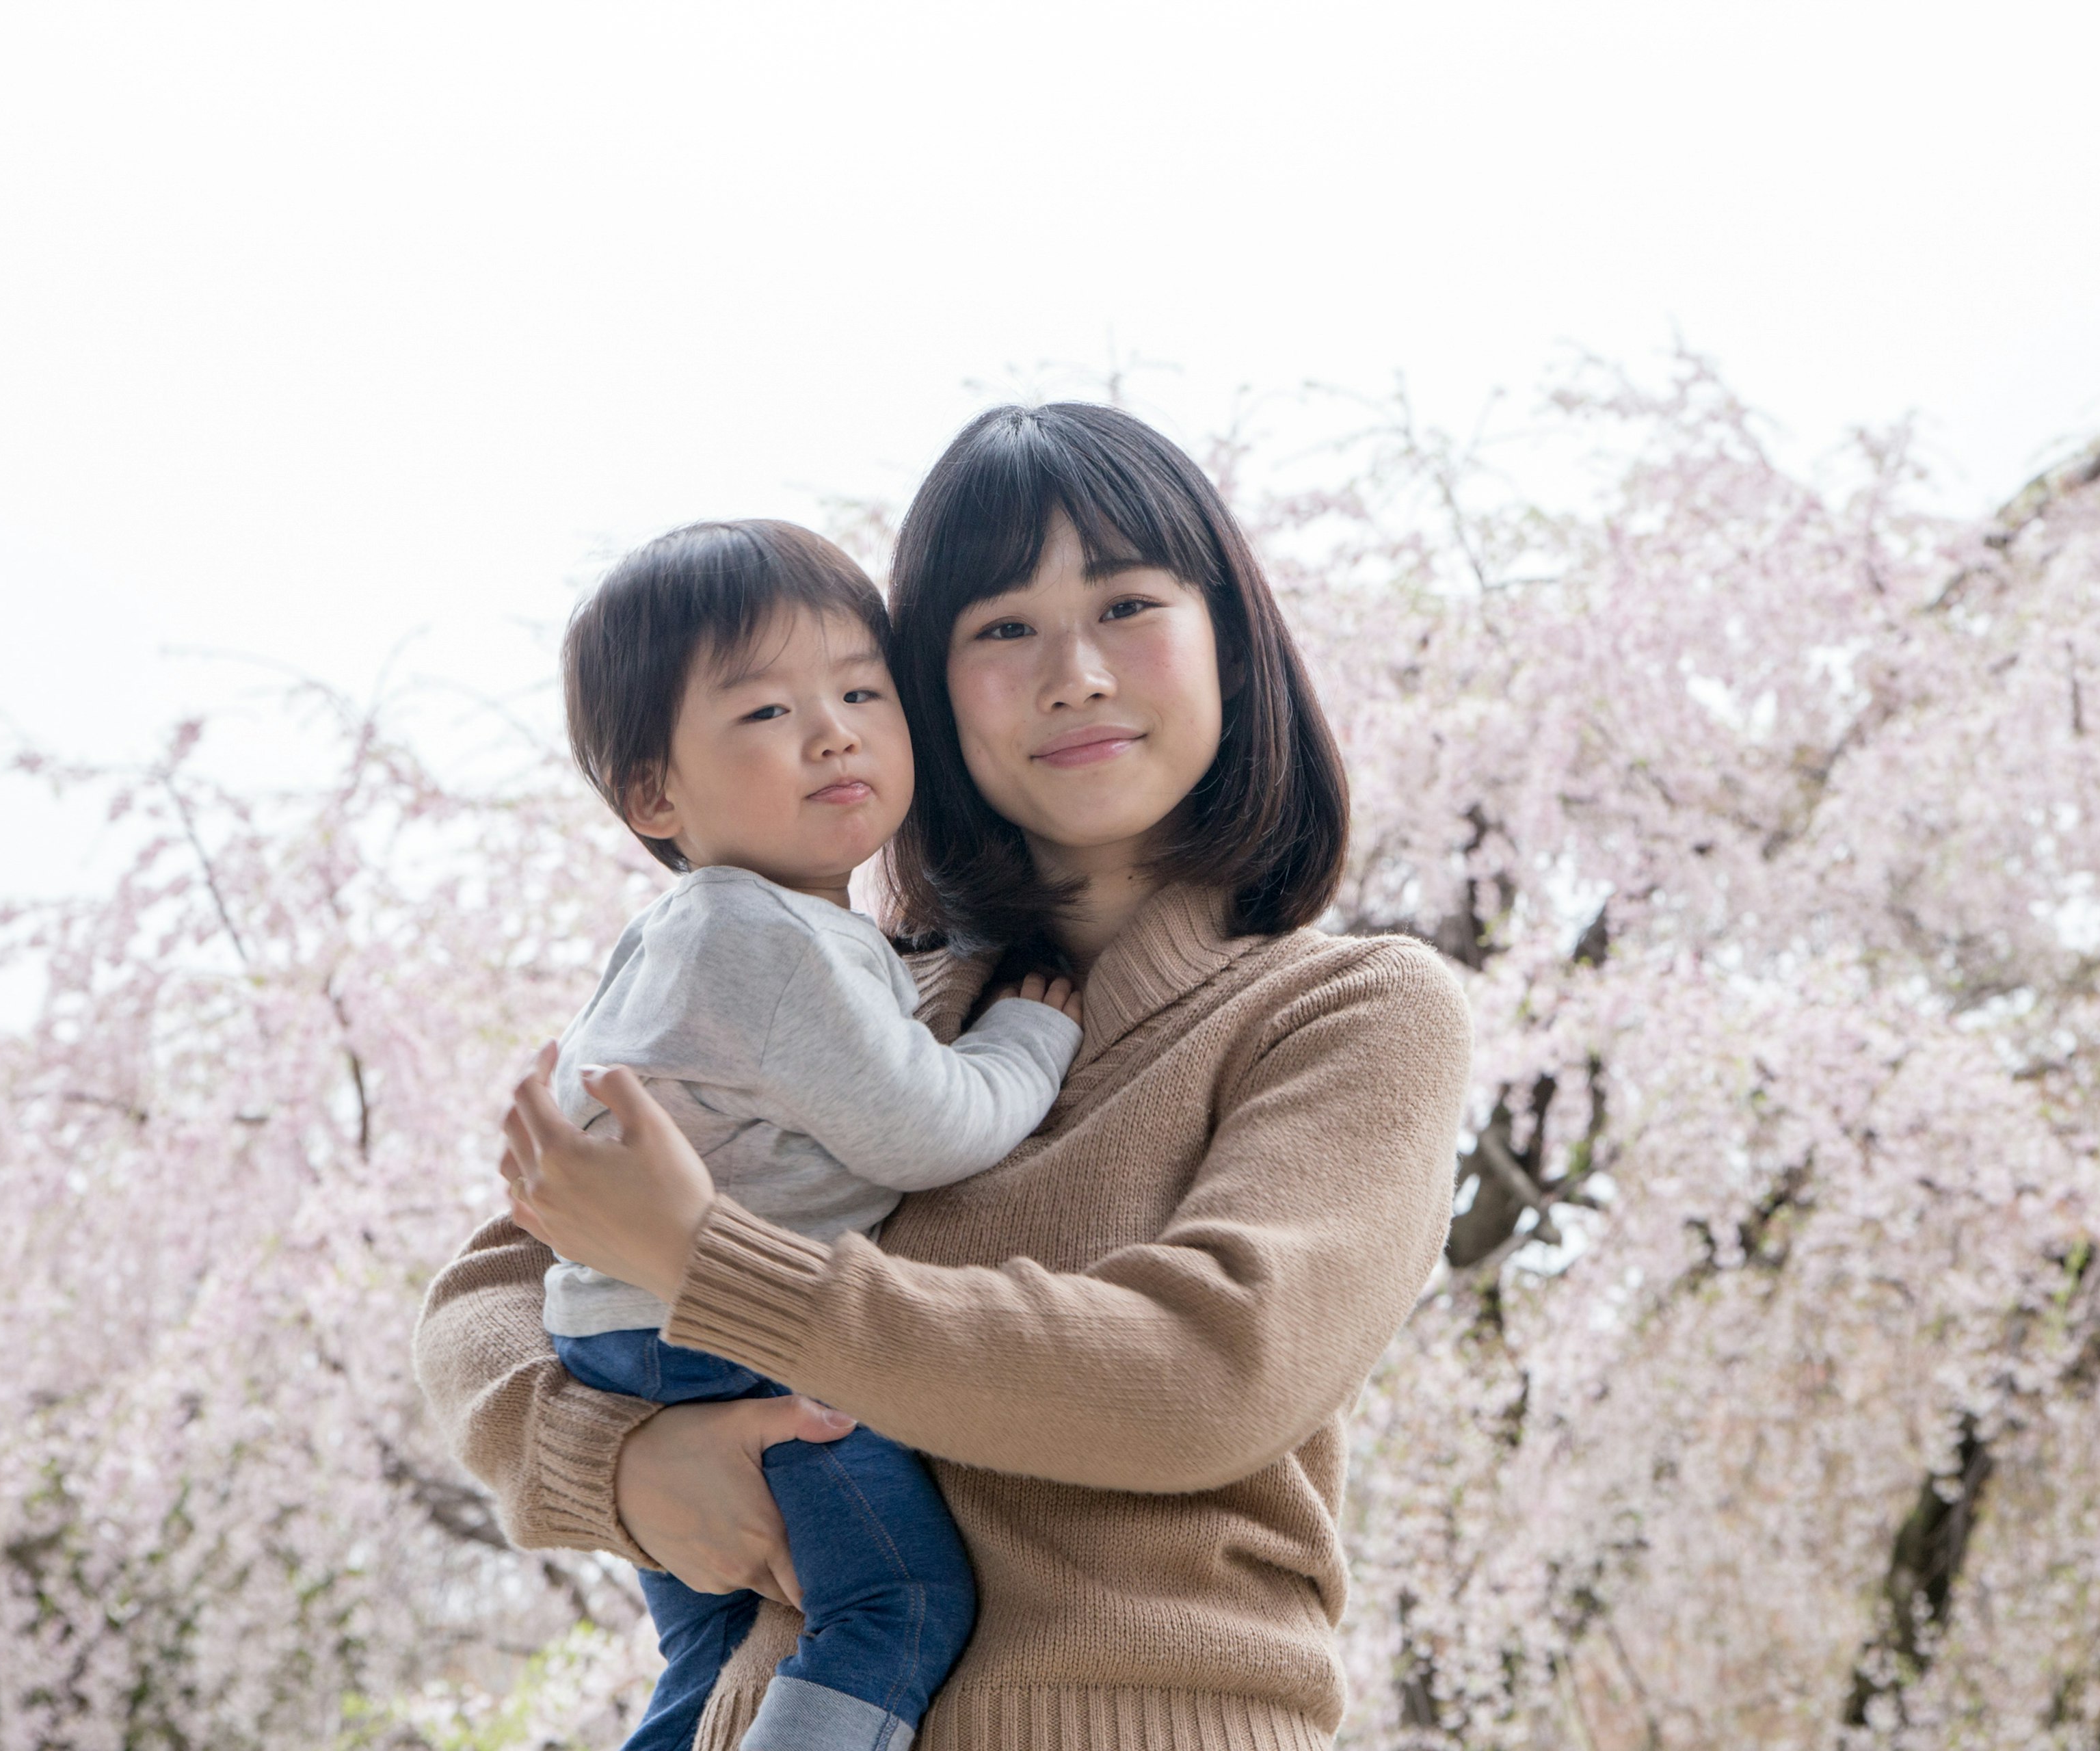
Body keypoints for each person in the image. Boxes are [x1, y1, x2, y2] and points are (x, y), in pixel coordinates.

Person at [420, 402, 1472, 1751]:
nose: (1075, 672)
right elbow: (494, 1286)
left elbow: (1207, 1370)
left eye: (1127, 602)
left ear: (1232, 639)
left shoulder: (1340, 1012)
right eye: (1002, 629)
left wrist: (713, 1265)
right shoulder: (853, 992)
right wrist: (622, 1463)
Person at [532, 518, 1086, 1751]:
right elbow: (930, 1132)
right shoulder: (763, 941)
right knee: (899, 1600)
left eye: (858, 690)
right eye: (765, 713)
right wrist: (1026, 1043)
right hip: (724, 1349)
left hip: (631, 1342)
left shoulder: (712, 929)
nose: (833, 730)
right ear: (652, 792)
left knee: (716, 1647)